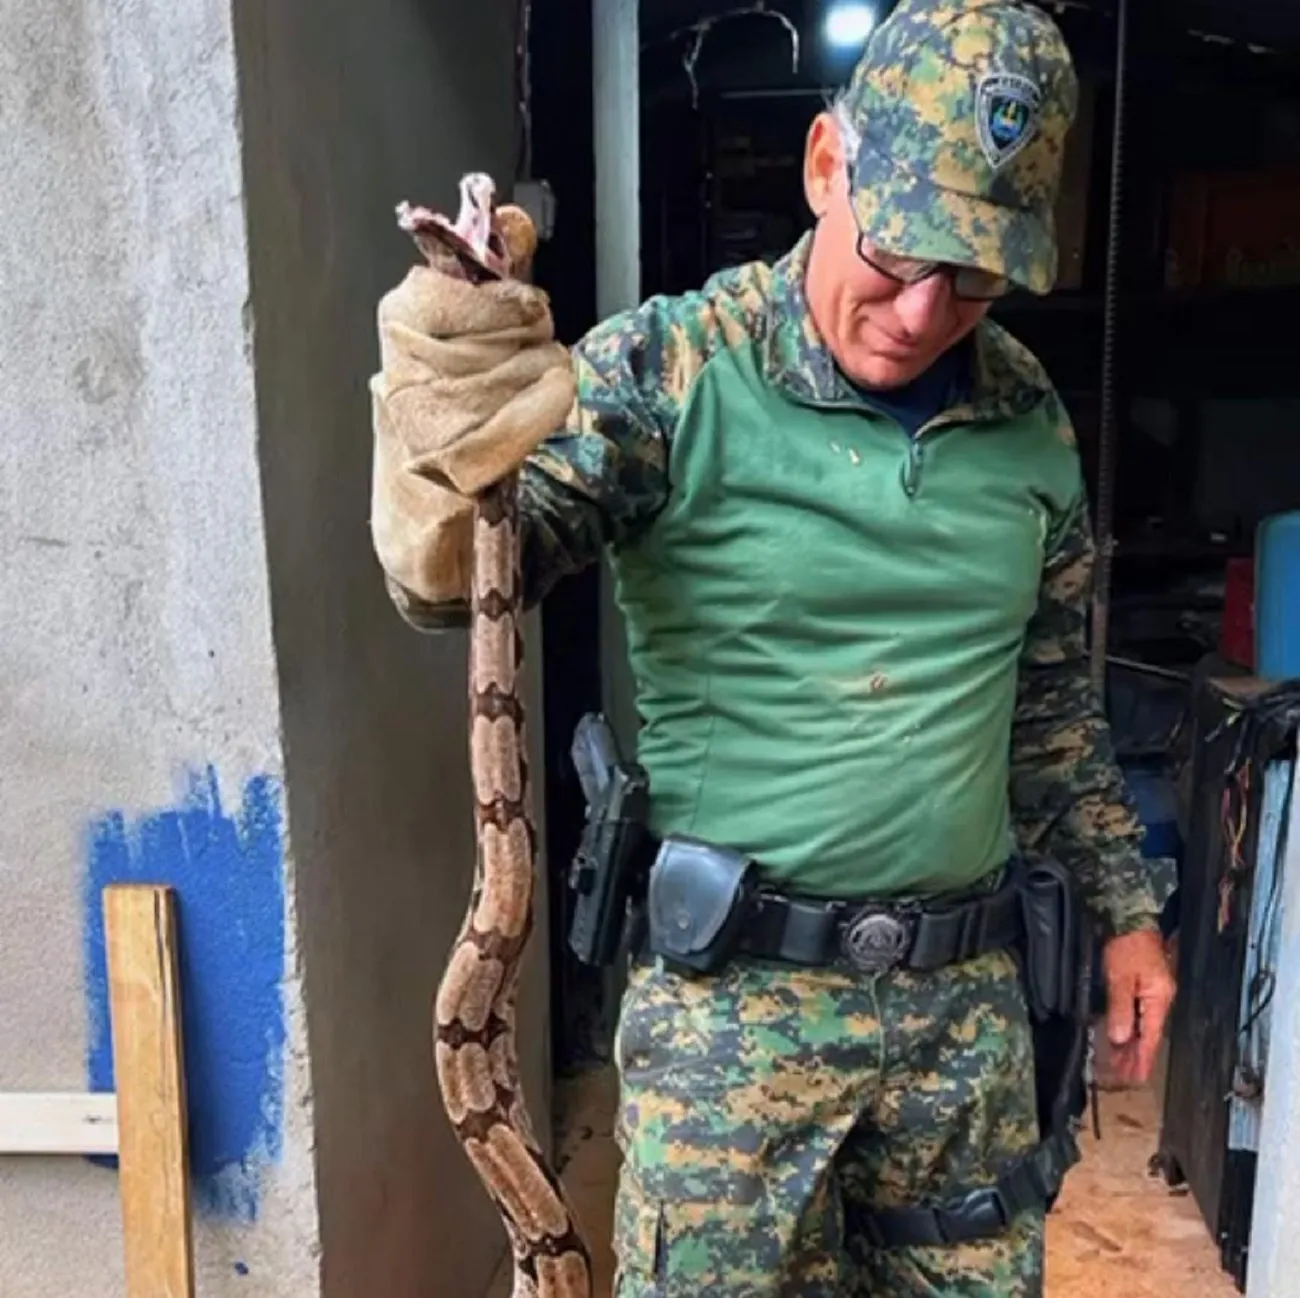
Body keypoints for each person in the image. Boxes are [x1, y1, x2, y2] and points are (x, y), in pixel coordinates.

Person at [368, 0, 1177, 1292]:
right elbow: (452, 577)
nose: (922, 311)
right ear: (824, 166)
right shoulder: (672, 369)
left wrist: (1126, 913)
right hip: (731, 1028)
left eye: (974, 278)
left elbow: (1050, 714)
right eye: (900, 251)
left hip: (964, 1025)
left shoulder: (1031, 420)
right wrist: (439, 435)